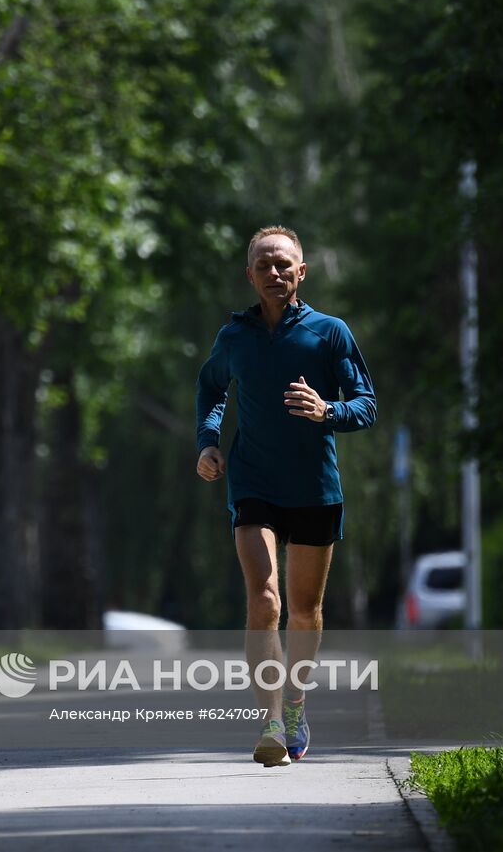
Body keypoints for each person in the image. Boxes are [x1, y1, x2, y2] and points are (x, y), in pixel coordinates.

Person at [194, 225, 376, 767]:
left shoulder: (329, 332)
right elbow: (211, 388)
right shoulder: (235, 337)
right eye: (264, 265)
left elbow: (365, 404)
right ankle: (270, 721)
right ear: (249, 275)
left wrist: (328, 411)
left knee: (304, 611)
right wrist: (208, 442)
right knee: (265, 599)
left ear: (301, 272)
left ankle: (295, 703)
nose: (274, 272)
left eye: (284, 264)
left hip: (316, 489)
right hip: (253, 482)